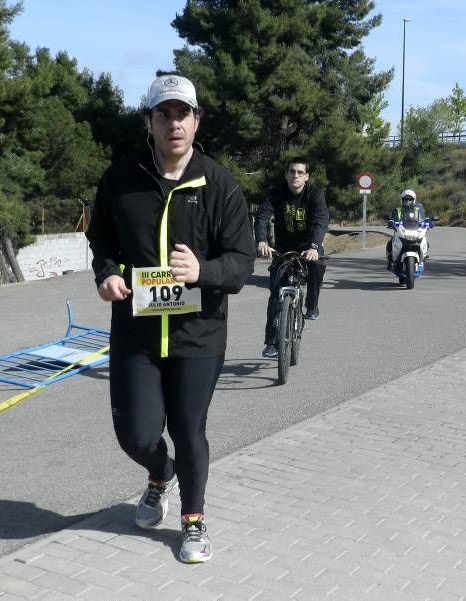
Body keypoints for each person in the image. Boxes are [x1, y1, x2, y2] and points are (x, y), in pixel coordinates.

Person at [85, 73, 254, 564]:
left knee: (188, 428)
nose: (174, 123)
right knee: (135, 434)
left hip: (197, 335)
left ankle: (193, 521)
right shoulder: (121, 178)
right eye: (164, 114)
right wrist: (107, 272)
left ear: (196, 121)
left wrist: (203, 271)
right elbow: (101, 239)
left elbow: (241, 261)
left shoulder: (219, 184)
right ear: (149, 121)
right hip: (136, 332)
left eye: (183, 113)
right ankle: (161, 474)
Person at [254, 158, 329, 358]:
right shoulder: (277, 193)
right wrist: (261, 240)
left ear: (306, 176)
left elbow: (321, 220)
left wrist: (314, 246)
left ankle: (312, 304)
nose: (295, 175)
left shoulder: (315, 194)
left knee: (317, 265)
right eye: (292, 172)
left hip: (308, 246)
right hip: (284, 248)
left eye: (300, 172)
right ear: (286, 175)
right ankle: (271, 342)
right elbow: (262, 216)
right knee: (275, 293)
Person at [386, 188, 428, 269]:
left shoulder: (418, 210)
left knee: (425, 240)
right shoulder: (397, 210)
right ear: (402, 200)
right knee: (390, 242)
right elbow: (393, 218)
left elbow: (423, 218)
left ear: (414, 200)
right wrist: (391, 222)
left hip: (415, 230)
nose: (408, 201)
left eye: (410, 199)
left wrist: (428, 221)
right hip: (401, 231)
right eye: (405, 199)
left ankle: (424, 255)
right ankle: (390, 259)